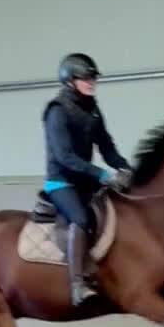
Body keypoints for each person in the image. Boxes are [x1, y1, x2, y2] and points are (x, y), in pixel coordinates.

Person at [42, 52, 131, 307]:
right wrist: (103, 174)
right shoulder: (56, 111)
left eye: (93, 78)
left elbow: (107, 147)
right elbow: (64, 157)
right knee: (80, 218)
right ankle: (77, 284)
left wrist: (125, 167)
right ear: (70, 81)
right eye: (86, 78)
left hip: (85, 179)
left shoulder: (92, 109)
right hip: (61, 182)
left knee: (121, 202)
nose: (92, 82)